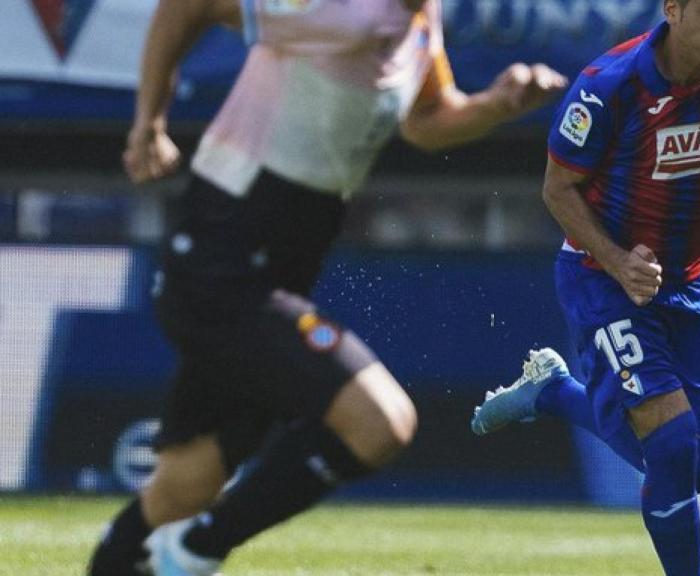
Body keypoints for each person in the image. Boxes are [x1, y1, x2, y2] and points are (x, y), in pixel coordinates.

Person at [87, 0, 567, 574]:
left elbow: (427, 117)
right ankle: (195, 550)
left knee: (186, 483)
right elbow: (184, 6)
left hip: (276, 264)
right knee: (381, 422)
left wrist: (497, 104)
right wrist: (150, 122)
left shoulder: (420, 15)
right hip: (223, 258)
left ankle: (129, 557)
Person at [470, 1, 700, 574]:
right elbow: (557, 190)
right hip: (602, 279)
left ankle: (554, 393)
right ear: (672, 9)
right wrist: (619, 263)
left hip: (685, 281)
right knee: (670, 444)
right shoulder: (608, 86)